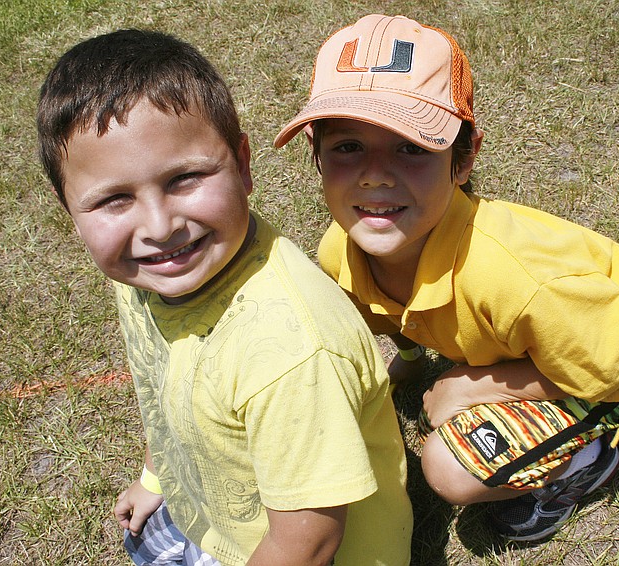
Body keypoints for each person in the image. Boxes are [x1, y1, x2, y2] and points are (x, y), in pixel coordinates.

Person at [275, 14, 619, 542]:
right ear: (315, 153)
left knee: (449, 468)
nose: (375, 174)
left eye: (411, 147)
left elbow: (606, 368)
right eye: (347, 146)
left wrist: (472, 385)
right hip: (558, 339)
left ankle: (587, 461)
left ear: (463, 160)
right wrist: (411, 362)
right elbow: (384, 315)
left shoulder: (518, 278)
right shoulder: (341, 250)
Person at [37, 29, 412, 565]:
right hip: (223, 514)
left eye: (185, 178)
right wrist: (156, 477)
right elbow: (163, 388)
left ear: (243, 165)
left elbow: (308, 544)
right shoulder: (149, 274)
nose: (160, 227)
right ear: (69, 208)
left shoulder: (291, 355)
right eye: (114, 199)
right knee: (142, 539)